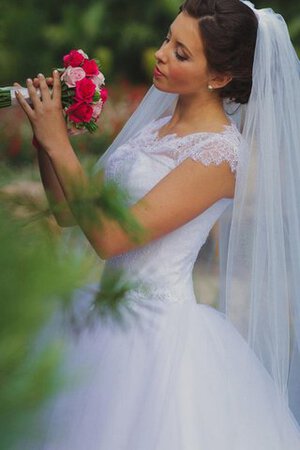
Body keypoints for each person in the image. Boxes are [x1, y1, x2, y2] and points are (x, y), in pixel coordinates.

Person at [15, 0, 300, 448]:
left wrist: (59, 145)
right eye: (168, 38)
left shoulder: (220, 156)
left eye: (182, 52)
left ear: (220, 77)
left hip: (155, 340)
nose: (162, 53)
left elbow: (111, 238)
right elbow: (72, 214)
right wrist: (45, 142)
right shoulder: (156, 129)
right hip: (104, 317)